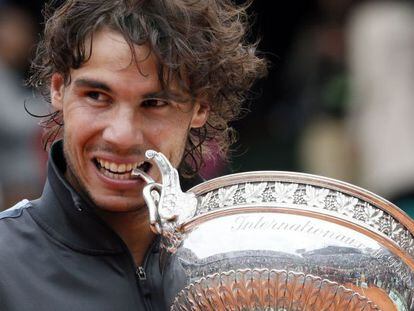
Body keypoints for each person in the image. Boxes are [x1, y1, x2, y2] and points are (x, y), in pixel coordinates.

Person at [0, 0, 266, 310]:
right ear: (58, 89)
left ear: (200, 108)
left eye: (154, 103)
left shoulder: (245, 269)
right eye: (97, 96)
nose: (122, 136)